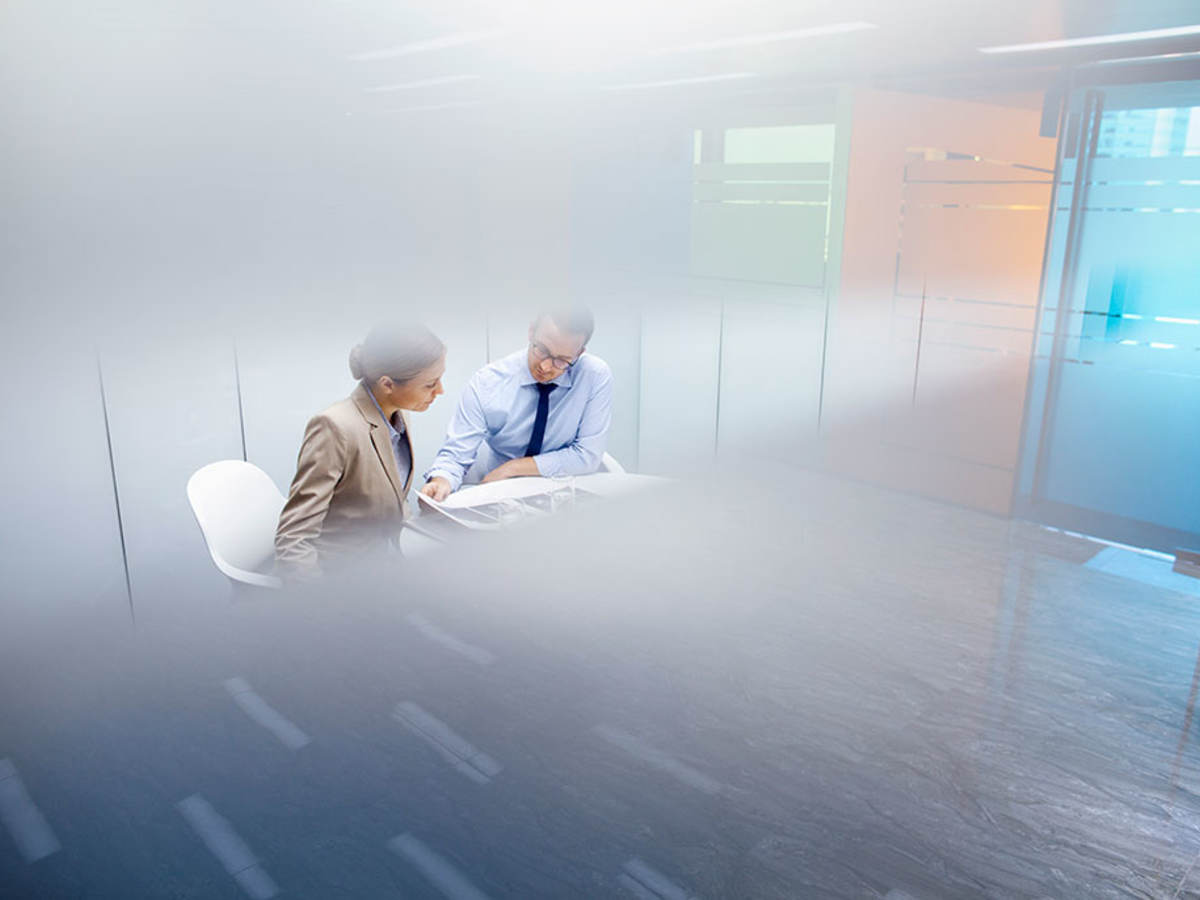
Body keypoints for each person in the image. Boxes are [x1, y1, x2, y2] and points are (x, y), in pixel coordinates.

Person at [275, 323, 446, 580]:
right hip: (345, 580)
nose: (440, 391)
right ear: (387, 384)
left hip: (390, 564)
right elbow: (293, 540)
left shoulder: (397, 414)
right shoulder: (335, 427)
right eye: (430, 384)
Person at [421, 308, 612, 501]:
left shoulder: (594, 376)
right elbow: (456, 454)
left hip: (561, 491)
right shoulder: (487, 382)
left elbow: (587, 455)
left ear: (579, 353)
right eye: (542, 350)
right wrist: (441, 480)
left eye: (562, 361)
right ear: (531, 331)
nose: (546, 367)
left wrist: (513, 468)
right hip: (500, 492)